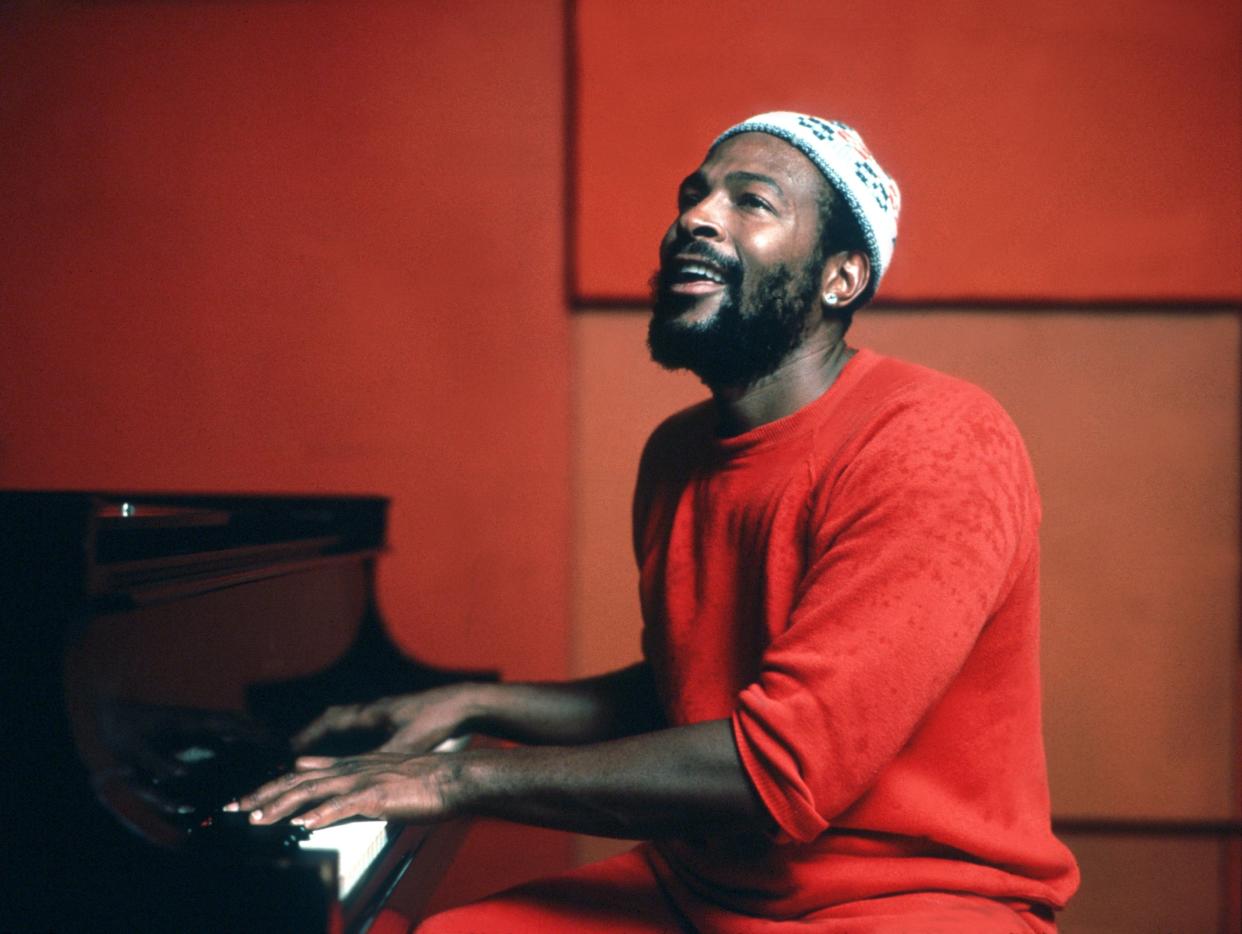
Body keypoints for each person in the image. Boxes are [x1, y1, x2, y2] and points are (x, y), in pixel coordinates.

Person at [233, 112, 1079, 931]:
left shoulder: (936, 438)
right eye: (693, 195)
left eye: (751, 202)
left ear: (841, 277)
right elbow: (695, 692)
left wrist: (456, 783)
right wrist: (471, 705)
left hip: (911, 902)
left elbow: (780, 766)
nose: (694, 219)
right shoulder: (678, 453)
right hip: (703, 890)